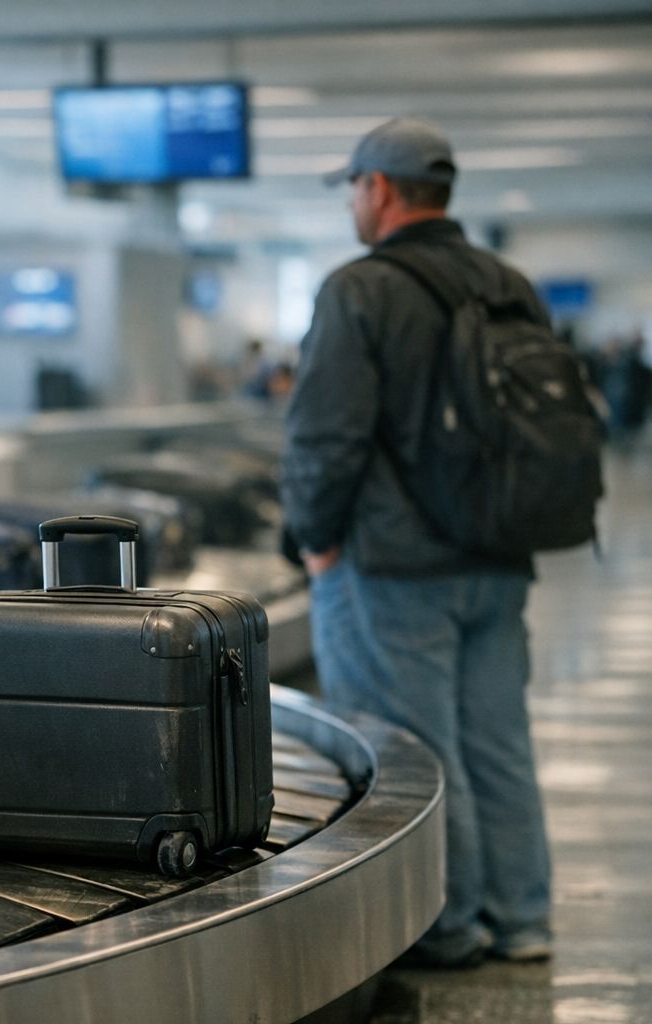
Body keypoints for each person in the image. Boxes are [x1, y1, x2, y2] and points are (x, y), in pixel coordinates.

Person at [281, 118, 553, 968]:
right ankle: (523, 918)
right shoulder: (507, 283)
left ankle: (450, 922)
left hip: (392, 564)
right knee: (498, 741)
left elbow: (325, 436)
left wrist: (315, 542)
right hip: (498, 555)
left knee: (418, 750)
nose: (355, 204)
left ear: (381, 188)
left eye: (356, 188)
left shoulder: (360, 289)